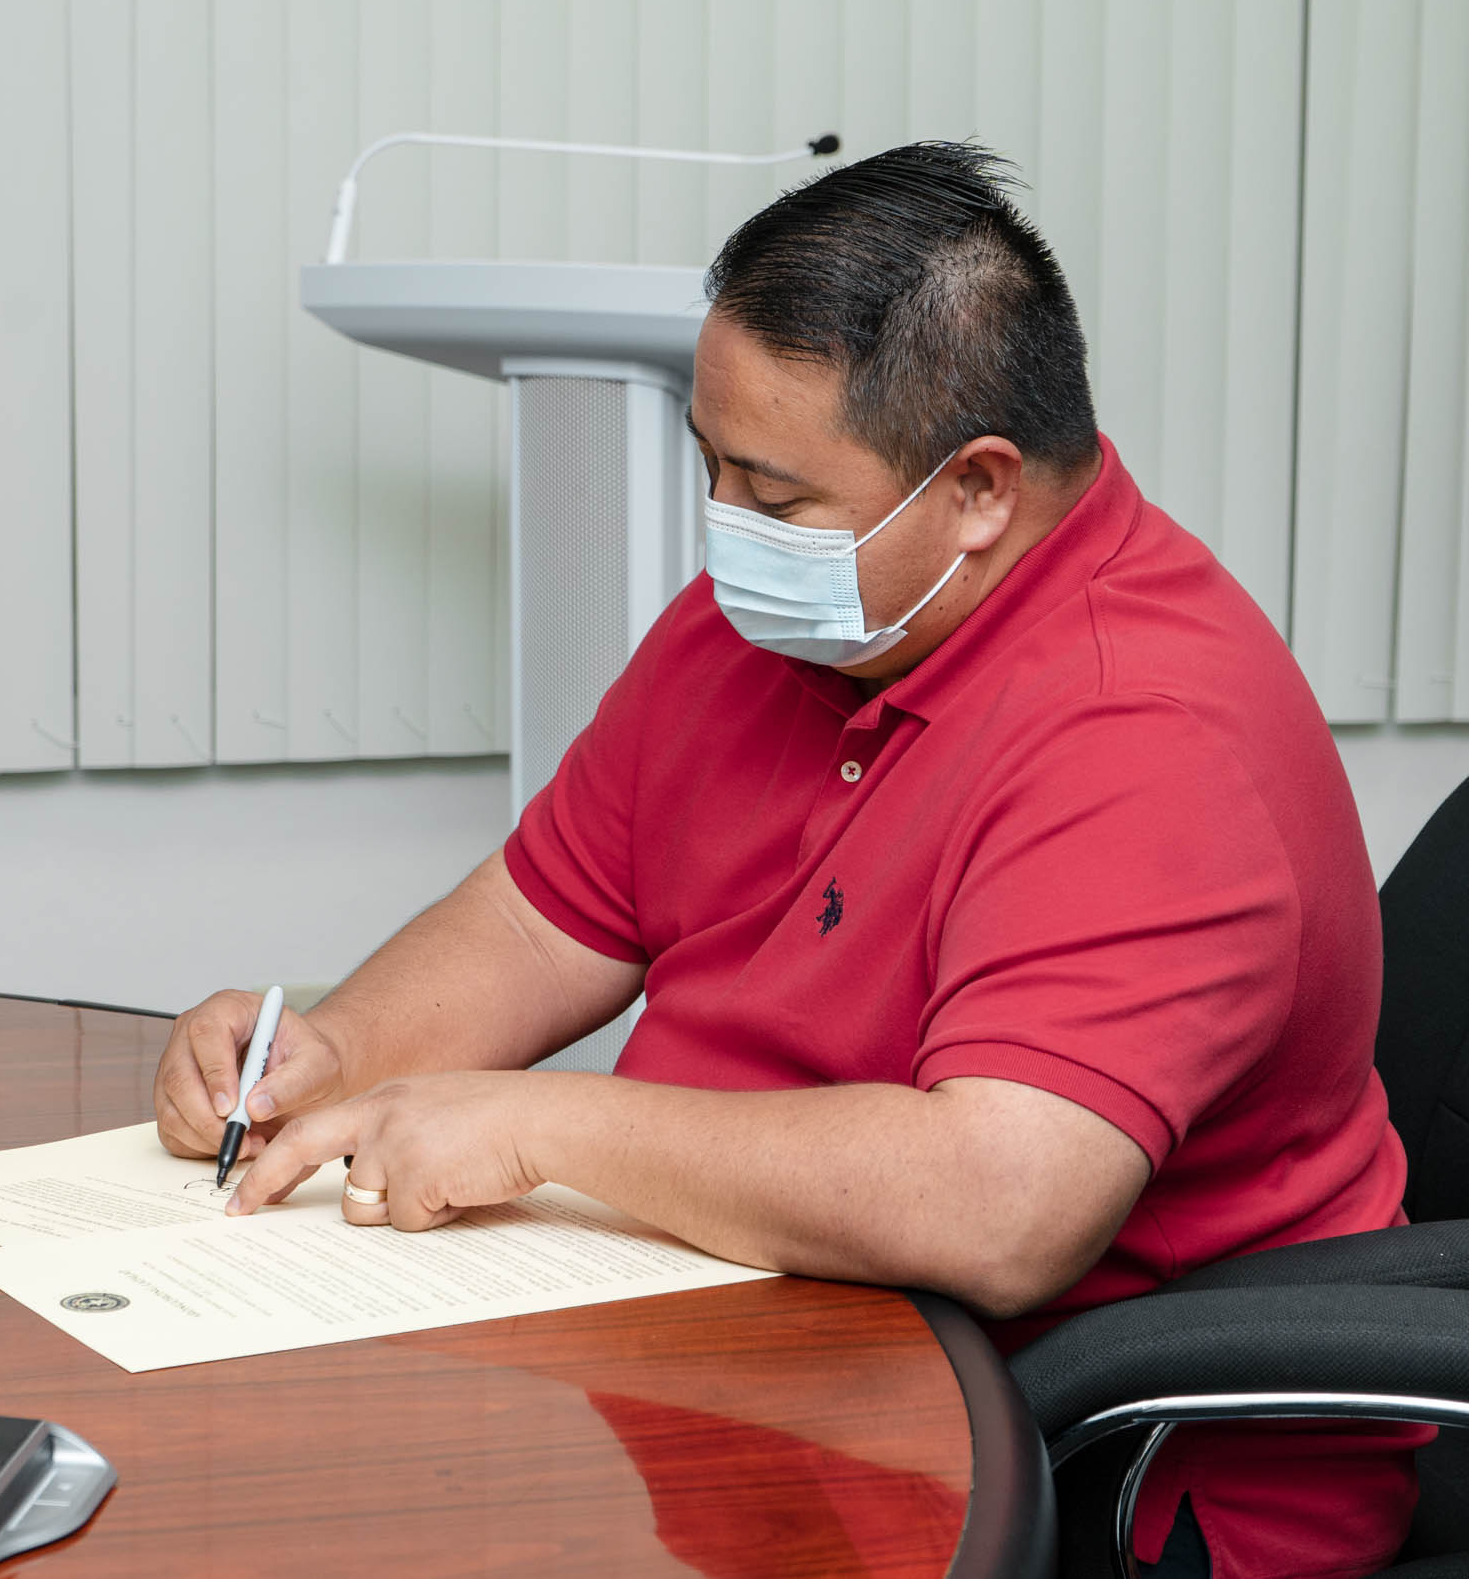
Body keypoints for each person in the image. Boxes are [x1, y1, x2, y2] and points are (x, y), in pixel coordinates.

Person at [153, 142, 1412, 1578]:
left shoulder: (1150, 731)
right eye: (711, 465)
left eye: (775, 493)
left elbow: (1003, 1206)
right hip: (769, 1359)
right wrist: (335, 1053)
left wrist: (540, 1126)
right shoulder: (789, 617)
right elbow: (536, 919)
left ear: (980, 490)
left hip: (1084, 1462)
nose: (725, 531)